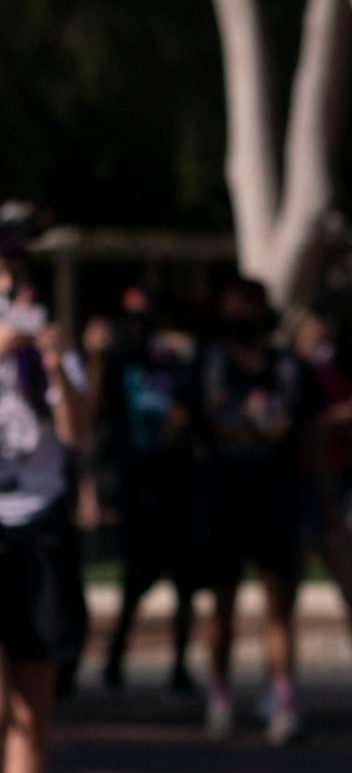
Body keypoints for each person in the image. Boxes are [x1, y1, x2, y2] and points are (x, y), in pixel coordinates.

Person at [0, 260, 89, 773]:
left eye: (17, 292)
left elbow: (78, 434)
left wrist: (55, 367)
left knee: (32, 716)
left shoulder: (45, 357)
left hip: (41, 540)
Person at [197, 278, 317, 742]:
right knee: (222, 606)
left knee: (278, 609)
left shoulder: (288, 368)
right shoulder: (209, 365)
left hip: (276, 502)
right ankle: (220, 694)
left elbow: (308, 431)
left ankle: (283, 698)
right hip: (223, 501)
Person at [95, 288, 204, 697]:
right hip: (139, 486)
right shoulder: (122, 361)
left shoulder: (178, 364)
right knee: (133, 584)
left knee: (184, 585)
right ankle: (114, 659)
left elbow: (193, 410)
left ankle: (179, 665)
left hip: (176, 485)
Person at [291, 305, 352, 708]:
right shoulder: (290, 376)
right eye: (313, 334)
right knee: (284, 595)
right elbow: (297, 431)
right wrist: (333, 420)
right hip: (302, 490)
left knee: (351, 588)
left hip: (334, 488)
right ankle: (283, 686)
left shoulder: (335, 374)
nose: (321, 341)